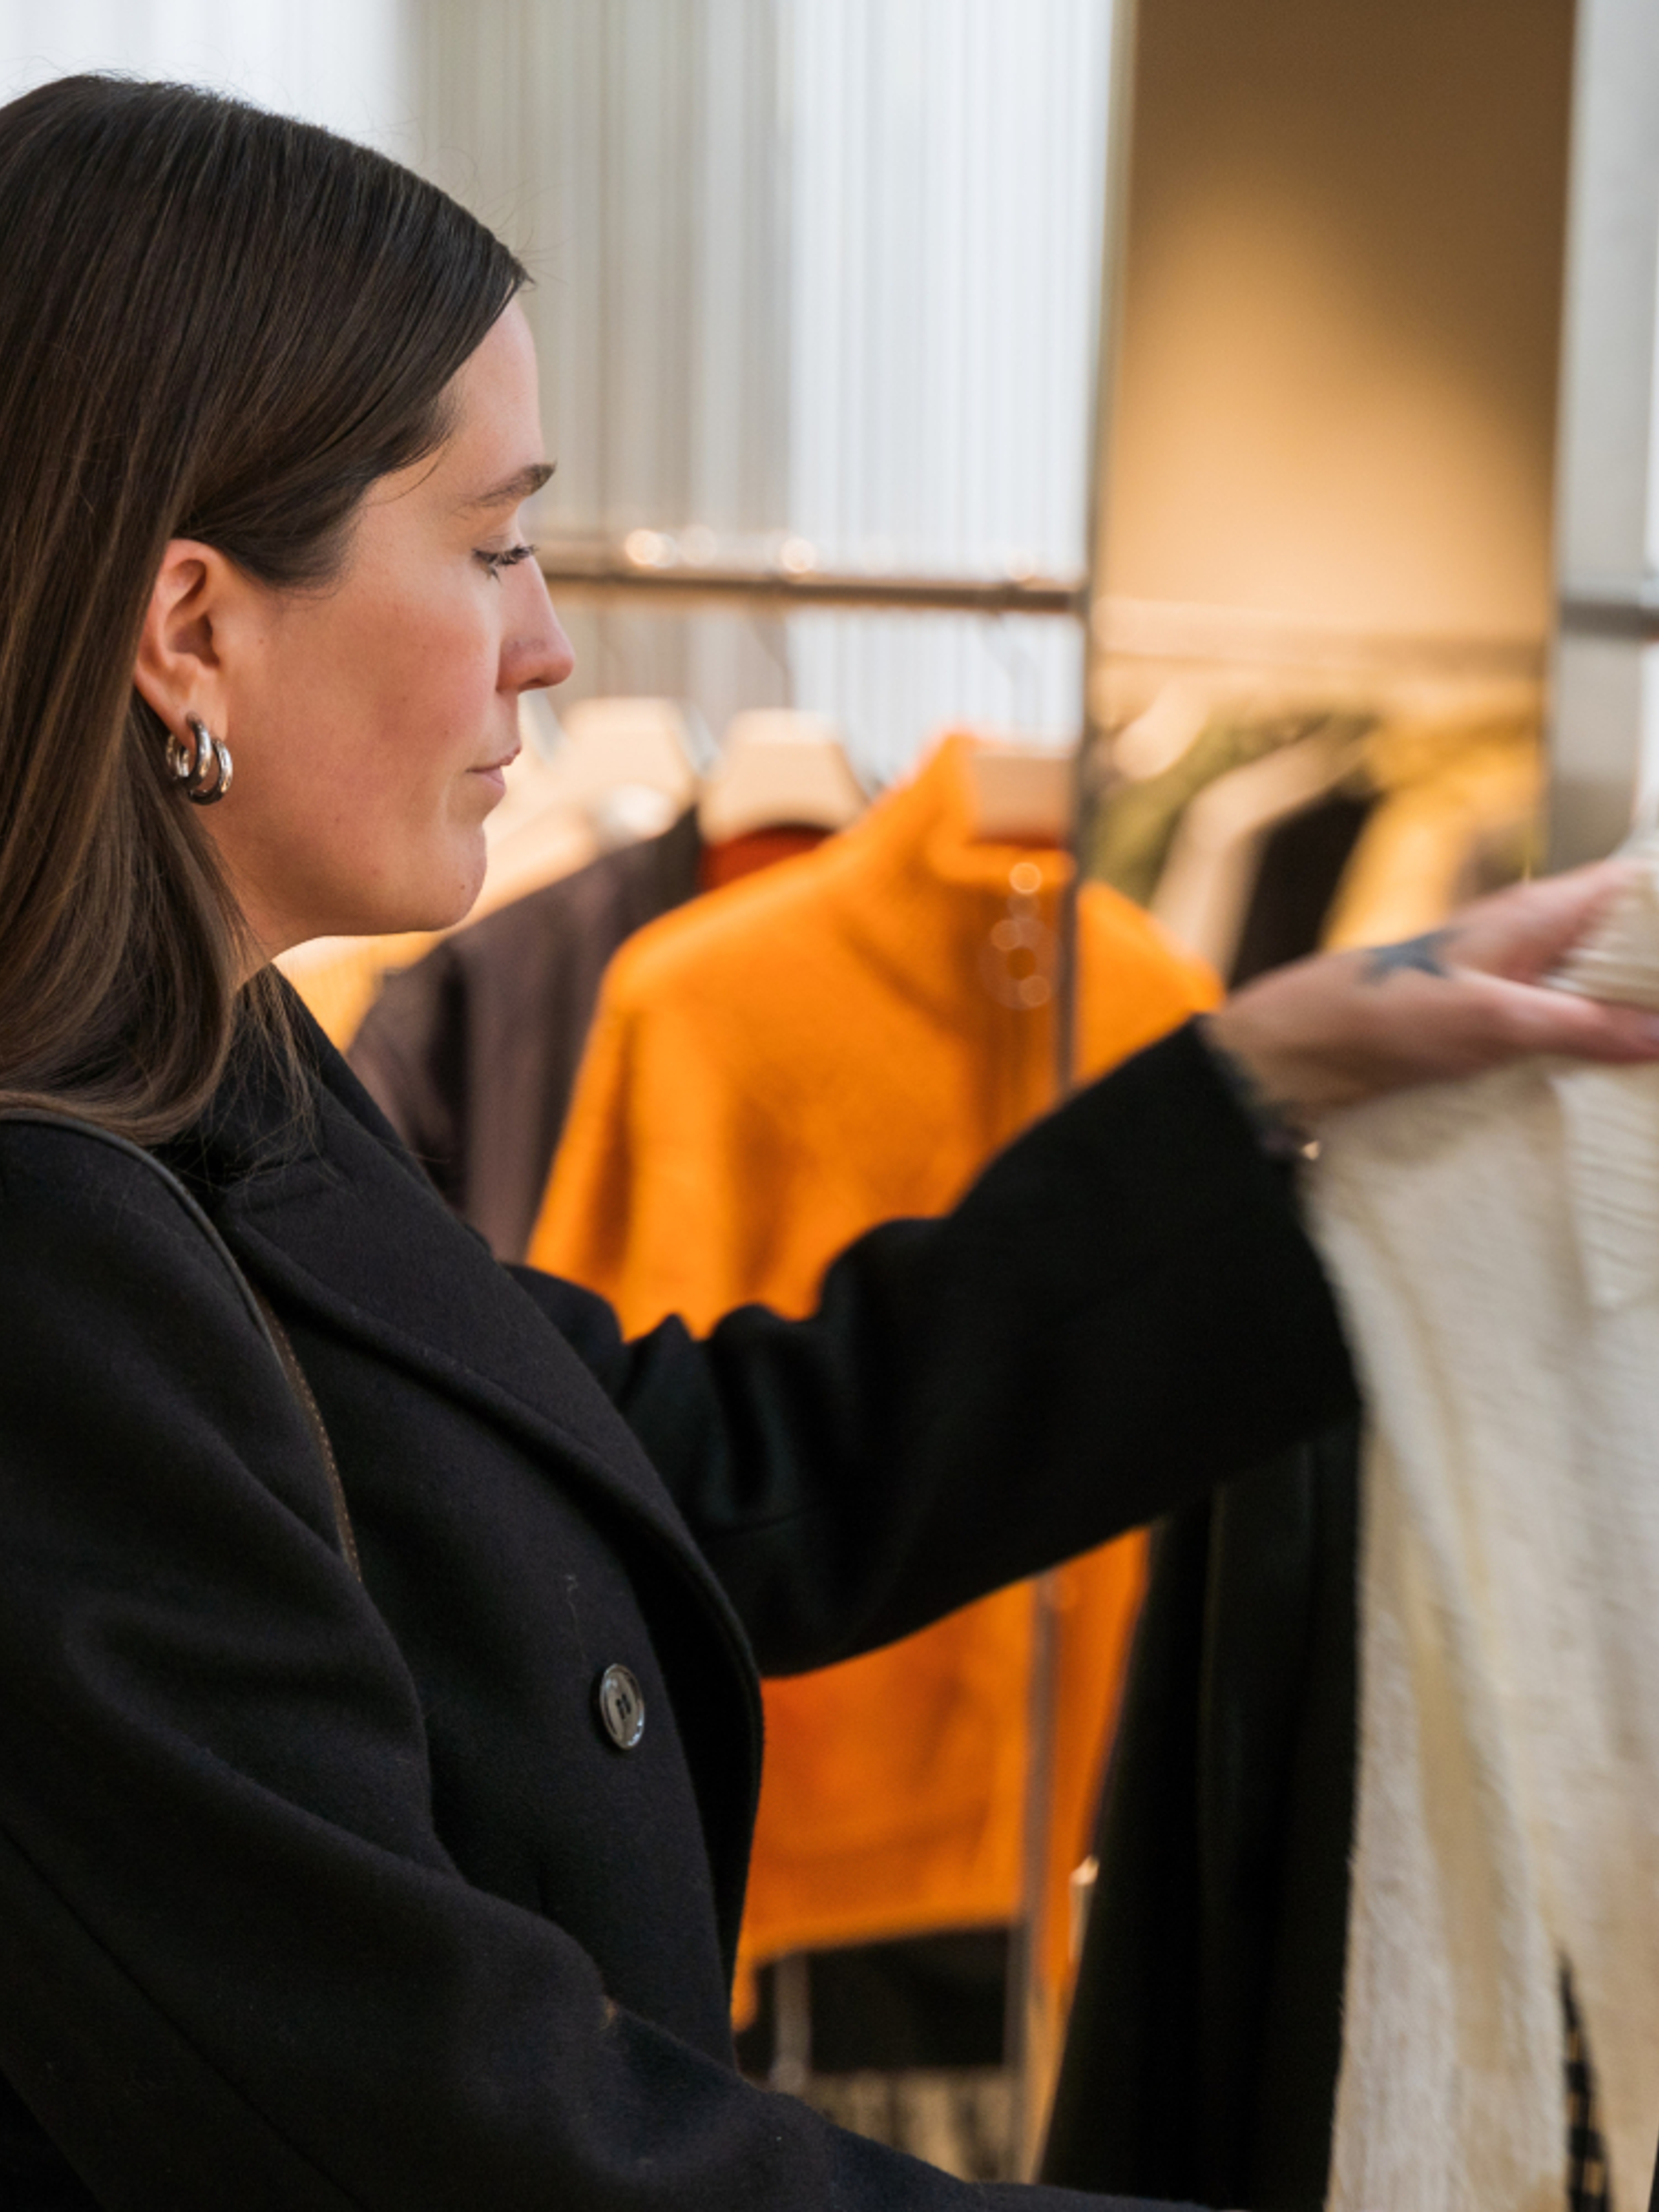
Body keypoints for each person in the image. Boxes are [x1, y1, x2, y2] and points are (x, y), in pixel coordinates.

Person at [0, 75, 1652, 2212]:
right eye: (495, 544)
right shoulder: (53, 1249)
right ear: (191, 621)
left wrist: (1263, 1091)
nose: (552, 641)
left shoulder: (213, 1079)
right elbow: (462, 2132)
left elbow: (692, 1469)